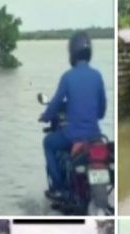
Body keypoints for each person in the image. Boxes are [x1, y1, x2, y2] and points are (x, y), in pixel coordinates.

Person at [39, 31, 107, 201]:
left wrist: (46, 116)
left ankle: (59, 188)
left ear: (72, 52)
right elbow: (102, 111)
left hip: (73, 135)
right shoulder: (97, 76)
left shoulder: (68, 77)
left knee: (48, 143)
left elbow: (54, 104)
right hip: (95, 136)